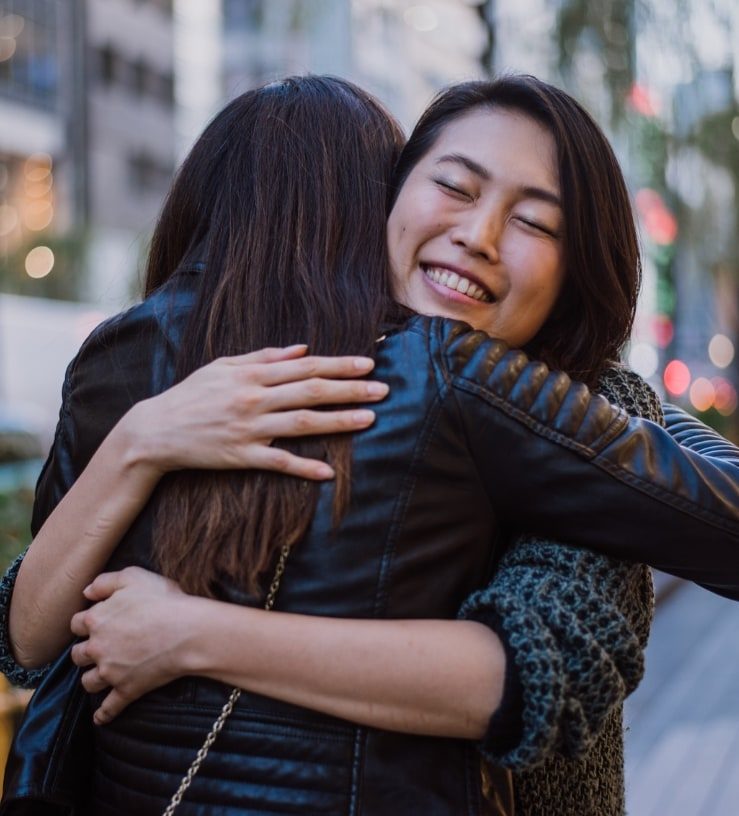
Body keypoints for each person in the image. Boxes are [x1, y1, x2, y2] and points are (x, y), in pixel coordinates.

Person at [2, 75, 738, 816]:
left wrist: (193, 633)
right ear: (381, 203)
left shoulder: (533, 398)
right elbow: (31, 632)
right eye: (453, 187)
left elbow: (531, 672)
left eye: (535, 224)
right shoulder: (320, 382)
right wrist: (142, 438)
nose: (477, 236)